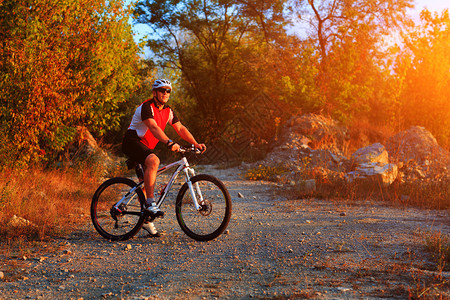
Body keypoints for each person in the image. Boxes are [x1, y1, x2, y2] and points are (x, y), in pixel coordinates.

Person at [122, 79, 206, 237]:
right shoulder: (147, 107)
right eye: (162, 90)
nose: (165, 93)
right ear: (154, 92)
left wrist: (195, 143)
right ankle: (150, 204)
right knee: (154, 161)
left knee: (147, 183)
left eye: (168, 91)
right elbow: (153, 127)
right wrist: (169, 142)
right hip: (132, 143)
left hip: (146, 147)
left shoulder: (168, 111)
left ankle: (146, 220)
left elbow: (180, 128)